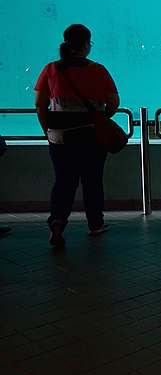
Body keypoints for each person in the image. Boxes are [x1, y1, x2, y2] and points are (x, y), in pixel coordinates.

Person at [34, 24, 119, 247]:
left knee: (64, 181)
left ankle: (57, 222)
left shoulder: (51, 69)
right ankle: (95, 224)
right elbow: (113, 103)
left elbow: (40, 104)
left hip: (59, 137)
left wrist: (47, 131)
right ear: (85, 45)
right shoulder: (97, 70)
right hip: (90, 136)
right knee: (92, 181)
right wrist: (100, 118)